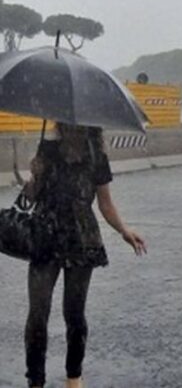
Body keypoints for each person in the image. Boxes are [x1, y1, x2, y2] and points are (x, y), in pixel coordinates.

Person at [21, 123, 146, 388]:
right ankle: (35, 380)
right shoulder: (47, 148)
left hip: (82, 240)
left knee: (74, 314)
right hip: (45, 236)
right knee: (37, 313)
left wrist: (124, 230)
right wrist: (34, 177)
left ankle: (74, 376)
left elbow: (105, 202)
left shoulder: (96, 155)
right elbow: (30, 197)